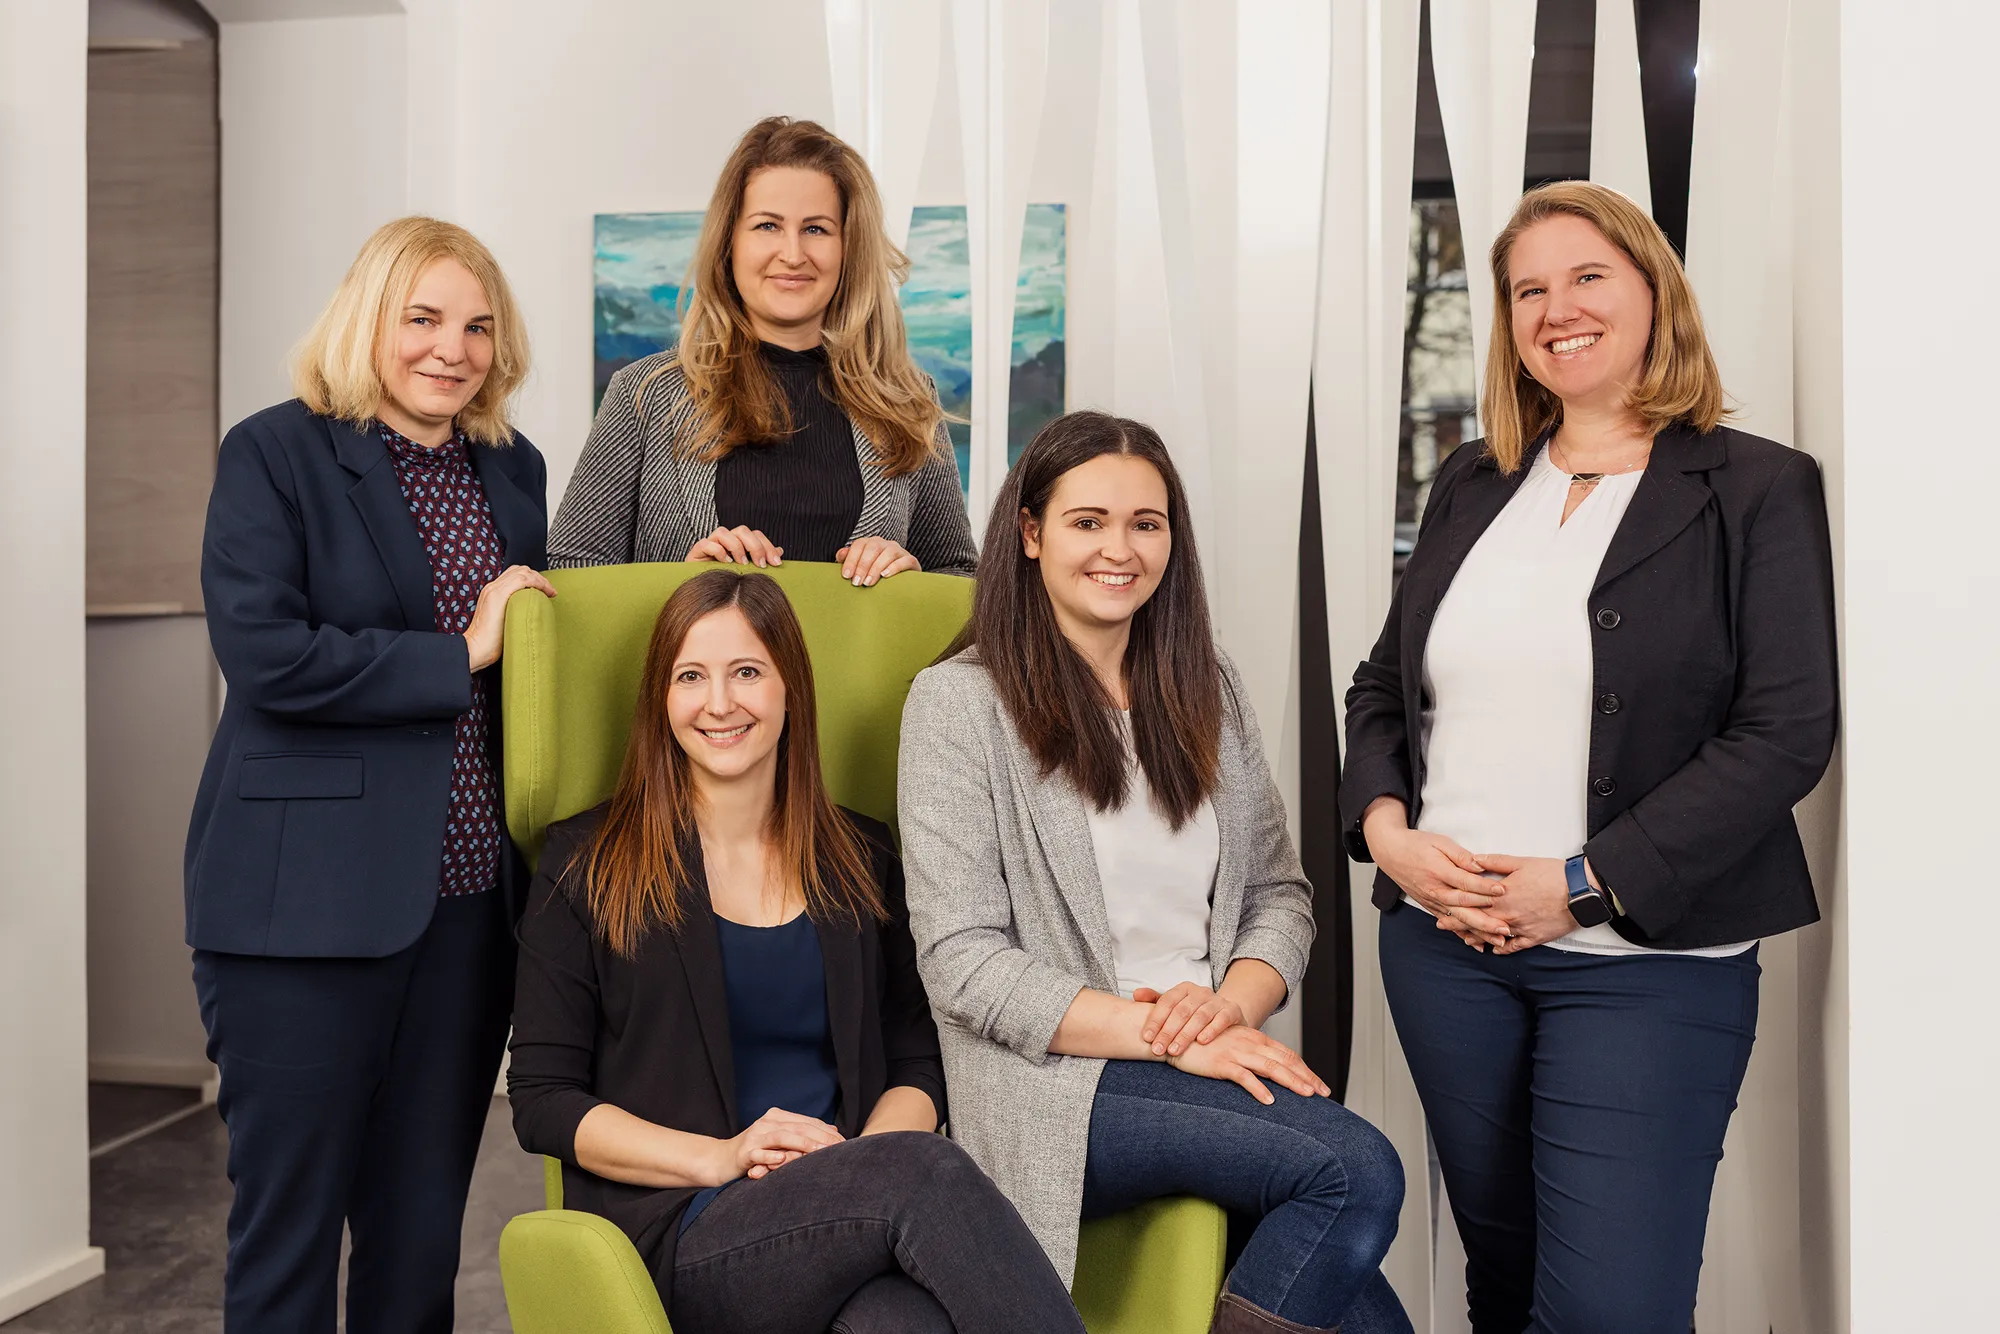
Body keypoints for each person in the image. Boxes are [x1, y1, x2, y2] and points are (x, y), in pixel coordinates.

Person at [1341, 181, 1838, 1333]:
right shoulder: (1471, 480)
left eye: (1584, 277)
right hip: (1445, 954)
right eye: (1527, 290)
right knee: (1507, 1284)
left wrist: (1580, 882)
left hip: (1644, 961)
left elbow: (1783, 731)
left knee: (1610, 1309)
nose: (1554, 309)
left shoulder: (1757, 487)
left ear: (1653, 293)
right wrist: (1387, 835)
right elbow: (1381, 688)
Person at [898, 412, 1411, 1334]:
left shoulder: (1208, 684)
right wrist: (1168, 1039)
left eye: (1146, 523)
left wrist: (1229, 1011)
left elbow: (1280, 897)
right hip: (1058, 1083)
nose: (1120, 549)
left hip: (1206, 1056)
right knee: (1354, 1169)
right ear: (1030, 533)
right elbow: (962, 963)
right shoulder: (959, 704)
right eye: (1087, 521)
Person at [508, 569, 1083, 1334]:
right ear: (660, 700)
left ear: (790, 690)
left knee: (906, 1325)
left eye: (747, 672)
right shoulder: (584, 863)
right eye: (690, 677)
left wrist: (860, 1172)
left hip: (848, 1215)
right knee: (926, 1171)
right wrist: (722, 1156)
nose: (719, 702)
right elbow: (543, 1101)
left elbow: (917, 1059)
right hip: (687, 1230)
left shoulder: (863, 858)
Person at [185, 216, 552, 1333]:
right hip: (302, 914)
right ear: (367, 319)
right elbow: (266, 654)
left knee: (419, 1244)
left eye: (478, 327)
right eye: (423, 318)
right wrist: (462, 653)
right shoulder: (274, 452)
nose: (453, 349)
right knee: (288, 1241)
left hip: (468, 913)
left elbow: (547, 644)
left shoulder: (514, 468)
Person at [550, 116, 975, 584]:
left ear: (848, 248)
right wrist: (683, 587)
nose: (792, 254)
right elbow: (569, 572)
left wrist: (913, 580)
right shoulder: (646, 393)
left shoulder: (907, 400)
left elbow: (962, 579)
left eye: (816, 229)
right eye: (768, 225)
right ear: (729, 242)